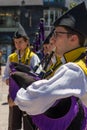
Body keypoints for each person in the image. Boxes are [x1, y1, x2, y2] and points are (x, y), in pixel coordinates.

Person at [10, 2, 87, 130]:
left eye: (57, 34)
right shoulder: (78, 62)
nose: (52, 40)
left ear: (73, 39)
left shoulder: (74, 70)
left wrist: (17, 94)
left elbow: (36, 99)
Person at [2, 23, 42, 130]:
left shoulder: (33, 57)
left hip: (28, 95)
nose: (18, 45)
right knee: (13, 123)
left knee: (29, 123)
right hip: (14, 94)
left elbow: (38, 75)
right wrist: (7, 80)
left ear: (26, 42)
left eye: (20, 42)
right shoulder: (11, 57)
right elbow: (5, 74)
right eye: (15, 42)